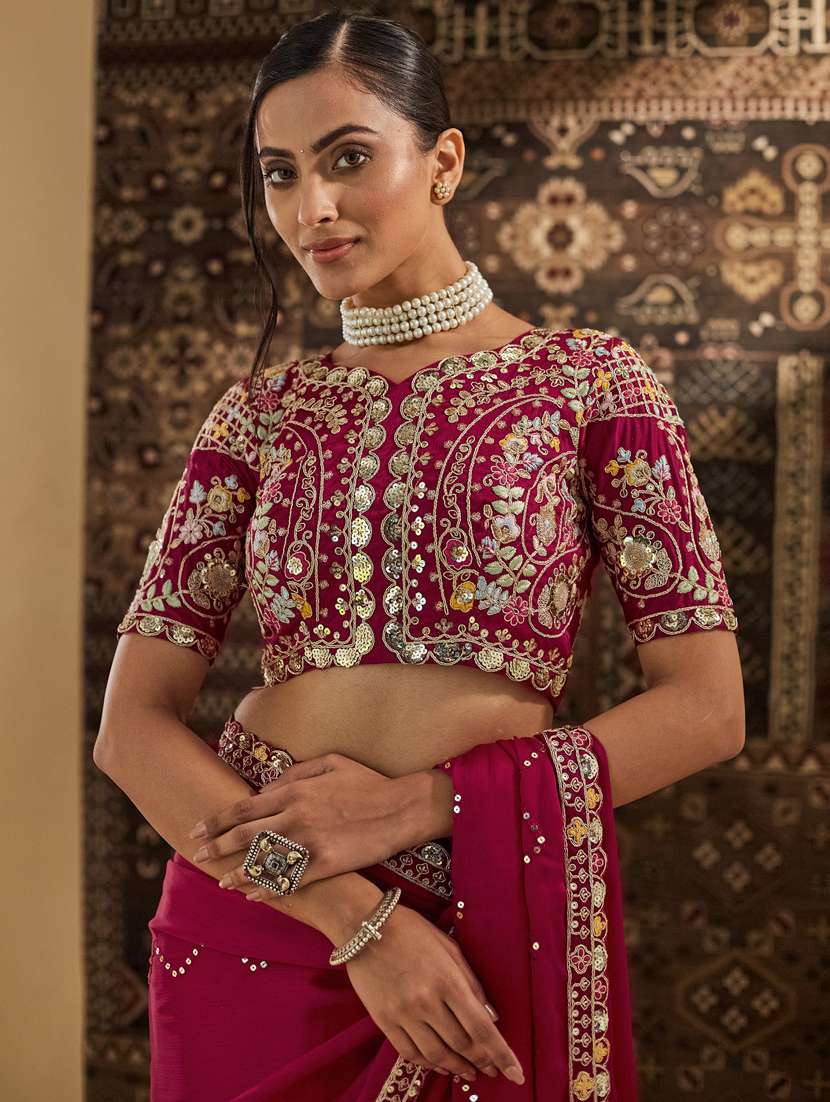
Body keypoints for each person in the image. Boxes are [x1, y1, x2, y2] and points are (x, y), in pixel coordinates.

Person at [93, 8, 745, 1101]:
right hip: (263, 914)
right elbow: (132, 730)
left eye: (348, 158)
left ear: (442, 161)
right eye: (280, 174)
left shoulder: (590, 385)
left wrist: (417, 807)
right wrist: (358, 919)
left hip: (486, 905)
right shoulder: (257, 414)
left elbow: (706, 708)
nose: (312, 207)